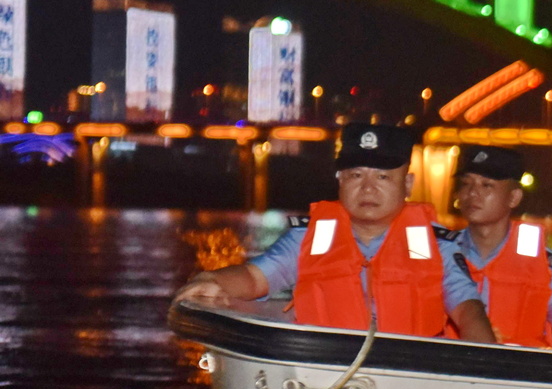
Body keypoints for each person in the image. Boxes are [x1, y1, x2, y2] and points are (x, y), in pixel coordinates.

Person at [171, 123, 496, 343]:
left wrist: (487, 365)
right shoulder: (309, 238)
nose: (368, 187)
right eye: (356, 174)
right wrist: (211, 281)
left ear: (407, 184)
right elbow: (255, 277)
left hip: (411, 380)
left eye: (383, 177)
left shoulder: (435, 245)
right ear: (340, 180)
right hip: (322, 375)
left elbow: (468, 309)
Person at [448, 144, 552, 351]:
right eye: (466, 184)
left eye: (486, 185)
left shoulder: (546, 263)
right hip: (452, 369)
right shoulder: (441, 252)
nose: (472, 194)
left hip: (521, 373)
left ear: (514, 198)